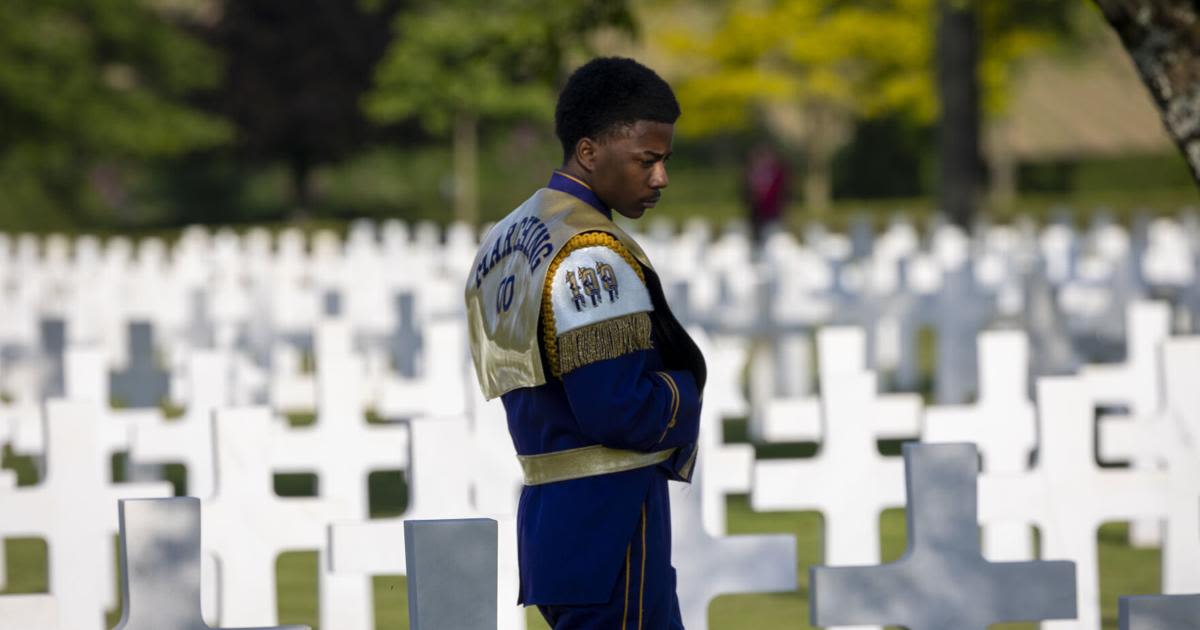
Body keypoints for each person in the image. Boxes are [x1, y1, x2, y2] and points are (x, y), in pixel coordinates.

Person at [464, 57, 706, 630]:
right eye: (646, 160)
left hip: (552, 519)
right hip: (613, 523)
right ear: (590, 151)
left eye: (665, 160)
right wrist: (684, 391)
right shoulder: (589, 249)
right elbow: (616, 410)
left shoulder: (509, 234)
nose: (660, 178)